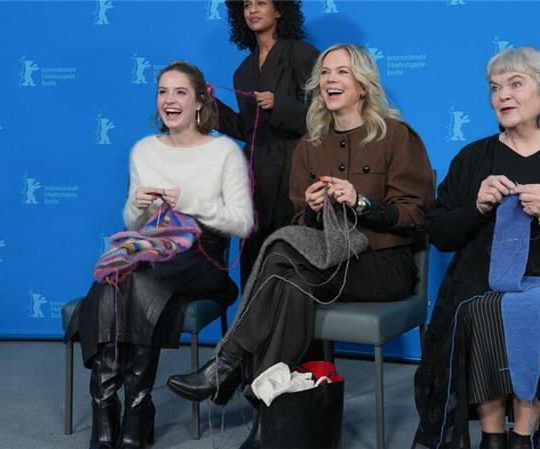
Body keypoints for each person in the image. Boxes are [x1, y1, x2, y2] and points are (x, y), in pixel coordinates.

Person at [167, 44, 433, 447]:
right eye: (325, 73)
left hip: (381, 263)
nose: (330, 80)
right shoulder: (309, 146)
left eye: (342, 72)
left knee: (280, 257)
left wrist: (361, 202)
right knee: (288, 280)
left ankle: (228, 362)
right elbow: (299, 226)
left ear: (362, 85)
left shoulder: (396, 136)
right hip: (322, 264)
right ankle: (264, 421)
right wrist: (310, 211)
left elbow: (414, 217)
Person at [412, 47, 540, 449]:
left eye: (515, 85)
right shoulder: (474, 156)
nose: (502, 96)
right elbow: (439, 232)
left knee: (537, 308)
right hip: (481, 273)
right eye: (494, 88)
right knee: (482, 306)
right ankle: (492, 437)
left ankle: (522, 436)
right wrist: (477, 206)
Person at [66, 61, 253, 449]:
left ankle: (136, 410)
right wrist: (136, 206)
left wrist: (191, 201)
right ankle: (108, 408)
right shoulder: (144, 150)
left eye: (180, 92)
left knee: (139, 281)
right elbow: (136, 226)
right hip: (159, 250)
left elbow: (242, 223)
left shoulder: (224, 152)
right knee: (115, 278)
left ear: (201, 101)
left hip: (205, 257)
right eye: (163, 92)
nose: (170, 100)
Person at [216, 0, 319, 287]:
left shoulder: (302, 54)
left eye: (261, 2)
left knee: (291, 257)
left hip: (294, 171)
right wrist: (211, 109)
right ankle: (252, 328)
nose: (252, 10)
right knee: (255, 260)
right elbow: (248, 130)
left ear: (280, 10)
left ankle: (295, 330)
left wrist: (280, 104)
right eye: (247, 5)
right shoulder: (243, 70)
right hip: (255, 175)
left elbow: (326, 114)